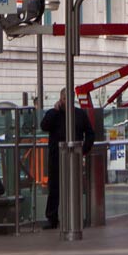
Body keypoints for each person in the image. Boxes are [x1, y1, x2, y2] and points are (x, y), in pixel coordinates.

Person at [40, 89, 96, 229]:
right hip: (56, 155)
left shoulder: (79, 114)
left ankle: (75, 216)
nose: (66, 101)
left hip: (74, 156)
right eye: (64, 99)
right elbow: (44, 126)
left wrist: (83, 150)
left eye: (69, 99)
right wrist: (55, 111)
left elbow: (90, 133)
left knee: (75, 186)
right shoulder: (54, 114)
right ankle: (52, 218)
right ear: (60, 99)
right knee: (54, 187)